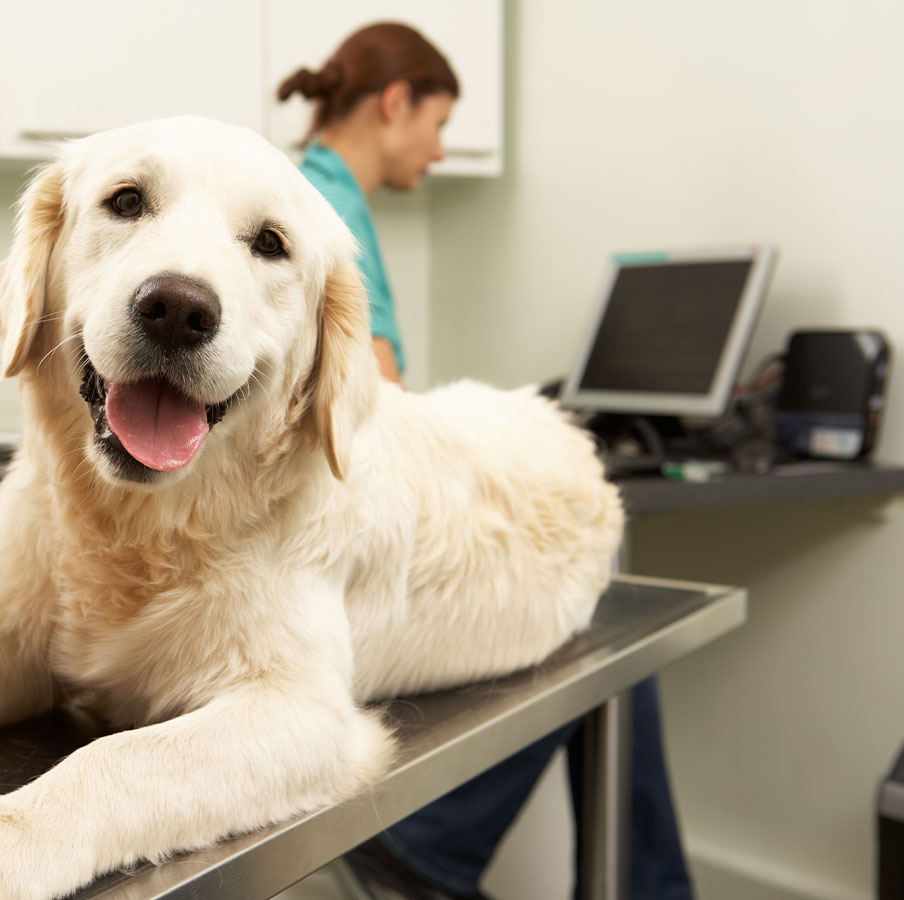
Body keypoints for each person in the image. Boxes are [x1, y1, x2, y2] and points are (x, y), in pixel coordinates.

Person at [278, 23, 694, 900]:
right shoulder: (323, 211)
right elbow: (371, 413)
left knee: (594, 608)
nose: (438, 149)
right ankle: (428, 850)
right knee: (592, 597)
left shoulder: (310, 193)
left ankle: (445, 851)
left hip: (318, 535)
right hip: (319, 556)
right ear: (396, 104)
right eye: (437, 122)